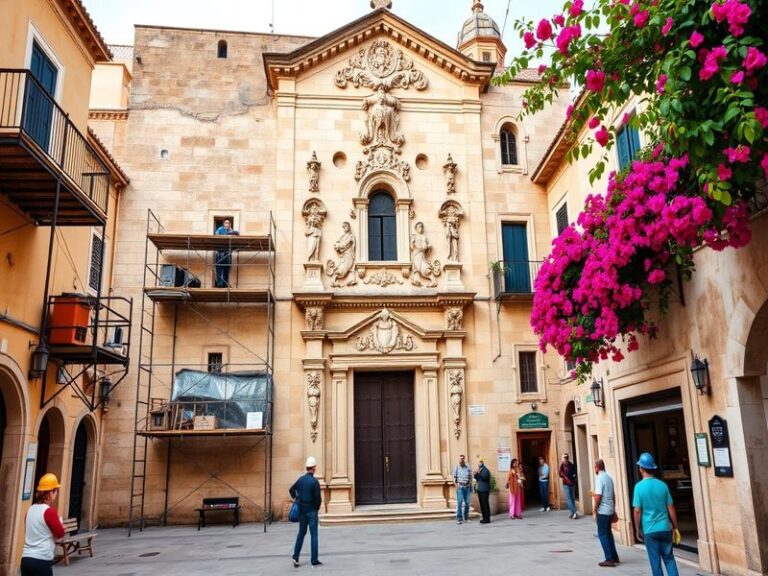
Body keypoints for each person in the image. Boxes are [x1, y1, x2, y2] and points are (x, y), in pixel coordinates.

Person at [633, 453, 680, 576]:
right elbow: (671, 507)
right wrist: (675, 527)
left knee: (655, 562)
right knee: (669, 559)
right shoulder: (663, 485)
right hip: (665, 528)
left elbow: (637, 510)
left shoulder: (638, 487)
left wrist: (637, 529)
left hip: (649, 530)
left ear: (641, 469)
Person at [21, 473, 65, 576]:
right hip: (41, 560)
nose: (56, 494)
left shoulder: (30, 510)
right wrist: (61, 524)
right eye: (56, 491)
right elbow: (60, 534)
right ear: (51, 492)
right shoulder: (49, 511)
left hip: (26, 559)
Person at [289, 457, 322, 567]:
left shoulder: (301, 480)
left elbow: (291, 490)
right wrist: (316, 508)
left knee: (301, 533)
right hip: (312, 511)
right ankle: (314, 560)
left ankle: (295, 556)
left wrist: (296, 498)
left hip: (302, 511)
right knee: (314, 535)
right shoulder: (315, 482)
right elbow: (318, 499)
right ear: (313, 468)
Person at [593, 459, 620, 567]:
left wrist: (595, 509)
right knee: (608, 534)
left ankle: (609, 559)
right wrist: (613, 509)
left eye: (595, 467)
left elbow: (598, 496)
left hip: (603, 511)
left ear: (597, 467)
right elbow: (613, 495)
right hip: (609, 510)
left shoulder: (599, 478)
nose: (594, 469)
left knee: (602, 534)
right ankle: (614, 557)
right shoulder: (609, 478)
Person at [214, 218, 239, 288]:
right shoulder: (220, 229)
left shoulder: (231, 231)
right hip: (220, 253)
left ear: (230, 224)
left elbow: (237, 233)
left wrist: (231, 231)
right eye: (225, 223)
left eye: (228, 223)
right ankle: (219, 284)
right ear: (223, 224)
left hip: (227, 254)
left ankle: (225, 283)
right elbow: (216, 235)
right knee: (219, 269)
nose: (227, 224)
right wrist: (227, 233)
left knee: (226, 269)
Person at [452, 454, 472, 524]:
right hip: (460, 487)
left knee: (467, 503)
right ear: (459, 459)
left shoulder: (468, 467)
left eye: (462, 458)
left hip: (467, 487)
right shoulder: (456, 467)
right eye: (460, 459)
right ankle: (459, 519)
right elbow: (454, 477)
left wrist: (470, 485)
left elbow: (470, 477)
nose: (461, 460)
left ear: (464, 459)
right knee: (459, 502)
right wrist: (456, 486)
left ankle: (466, 518)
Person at [559, 453, 578, 519]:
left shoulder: (572, 465)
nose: (564, 460)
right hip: (566, 484)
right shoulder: (562, 466)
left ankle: (572, 512)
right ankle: (574, 512)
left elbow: (574, 475)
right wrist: (564, 476)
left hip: (572, 484)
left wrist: (571, 478)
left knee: (572, 498)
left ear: (567, 458)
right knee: (568, 499)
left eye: (565, 458)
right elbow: (560, 474)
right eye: (563, 458)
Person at [474, 456, 491, 524]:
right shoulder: (480, 470)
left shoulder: (485, 470)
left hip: (484, 490)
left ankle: (487, 519)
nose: (478, 464)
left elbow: (484, 478)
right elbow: (477, 478)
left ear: (482, 463)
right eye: (478, 463)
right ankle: (484, 518)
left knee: (485, 505)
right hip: (480, 490)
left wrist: (478, 473)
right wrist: (475, 474)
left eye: (479, 462)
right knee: (482, 505)